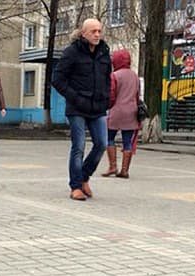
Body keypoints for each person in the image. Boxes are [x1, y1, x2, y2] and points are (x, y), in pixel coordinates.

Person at [52, 18, 111, 200]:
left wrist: (106, 97)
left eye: (99, 31)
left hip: (97, 107)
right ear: (83, 33)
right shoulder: (72, 52)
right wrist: (75, 97)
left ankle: (84, 176)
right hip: (77, 107)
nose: (97, 34)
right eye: (93, 31)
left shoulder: (104, 52)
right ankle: (75, 186)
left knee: (101, 143)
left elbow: (108, 77)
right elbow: (58, 79)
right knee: (78, 146)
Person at [103, 48, 140, 179]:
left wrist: (107, 106)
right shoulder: (135, 76)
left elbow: (111, 95)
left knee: (109, 138)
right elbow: (137, 95)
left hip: (116, 110)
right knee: (127, 141)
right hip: (132, 111)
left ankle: (113, 166)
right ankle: (125, 170)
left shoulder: (114, 75)